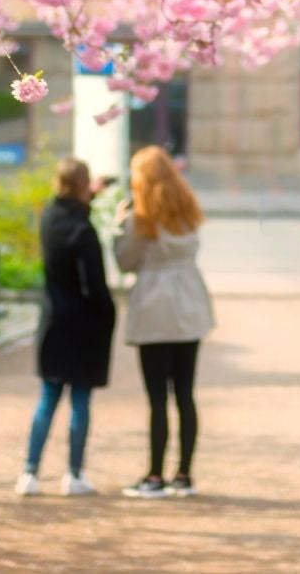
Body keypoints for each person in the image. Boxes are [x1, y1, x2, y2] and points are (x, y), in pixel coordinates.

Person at [113, 145, 213, 499]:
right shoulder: (187, 211)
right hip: (188, 304)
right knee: (185, 394)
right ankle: (184, 474)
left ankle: (155, 475)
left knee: (157, 398)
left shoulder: (139, 219)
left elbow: (125, 262)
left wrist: (117, 228)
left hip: (155, 308)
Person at [17, 159, 117, 497]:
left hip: (53, 322)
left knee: (47, 398)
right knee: (80, 401)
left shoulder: (49, 217)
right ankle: (74, 474)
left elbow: (71, 214)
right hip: (84, 324)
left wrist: (91, 195)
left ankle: (29, 472)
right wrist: (109, 313)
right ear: (82, 186)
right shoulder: (84, 231)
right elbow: (95, 286)